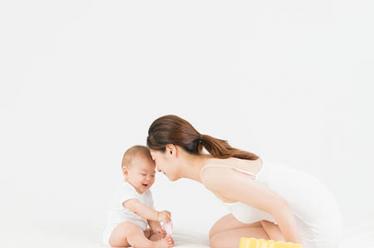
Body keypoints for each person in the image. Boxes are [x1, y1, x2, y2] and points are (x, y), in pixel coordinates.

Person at [146, 115, 342, 248]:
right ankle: (275, 232)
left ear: (171, 150)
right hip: (305, 208)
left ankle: (283, 239)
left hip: (316, 230)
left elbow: (279, 206)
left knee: (221, 242)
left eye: (155, 159)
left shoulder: (213, 175)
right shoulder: (209, 163)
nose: (156, 168)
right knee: (216, 232)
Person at [102, 145, 174, 248]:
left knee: (151, 232)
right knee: (129, 228)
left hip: (139, 232)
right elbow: (137, 208)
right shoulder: (125, 190)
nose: (148, 178)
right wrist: (157, 215)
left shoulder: (147, 193)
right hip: (117, 235)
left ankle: (152, 240)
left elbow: (149, 215)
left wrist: (157, 229)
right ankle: (152, 245)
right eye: (144, 174)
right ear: (126, 172)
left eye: (152, 175)